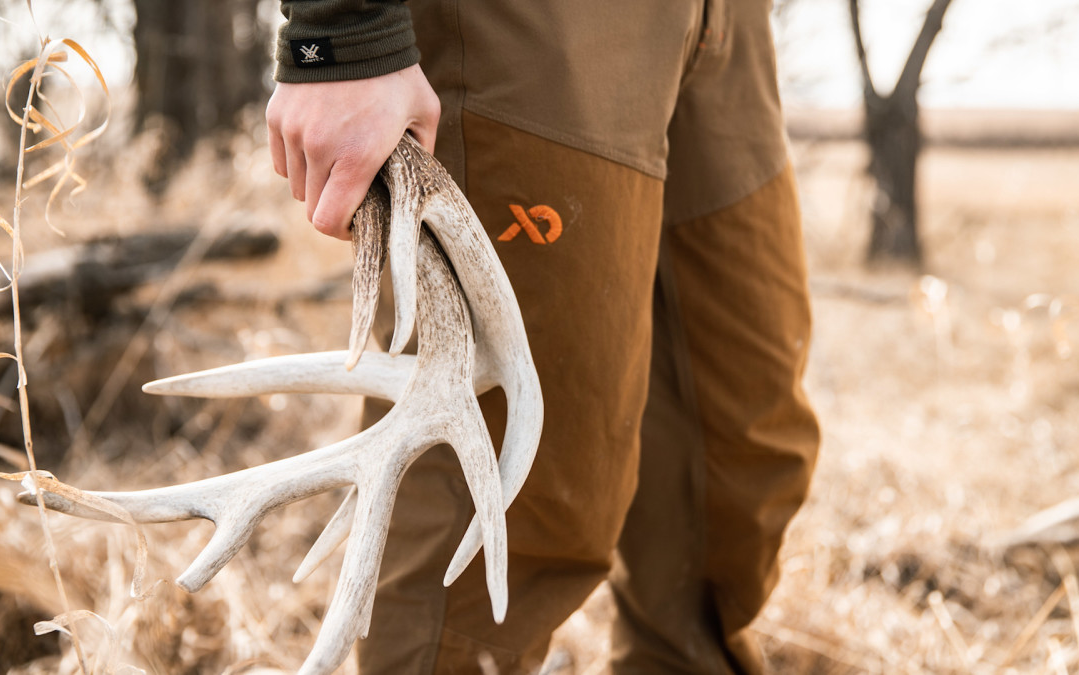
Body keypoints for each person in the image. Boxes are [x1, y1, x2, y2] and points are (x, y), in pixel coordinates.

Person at [267, 1, 820, 673]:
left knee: (741, 444)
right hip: (528, 28)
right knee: (503, 493)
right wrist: (340, 29)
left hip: (723, 25)